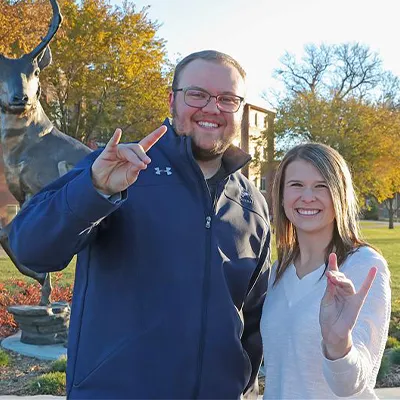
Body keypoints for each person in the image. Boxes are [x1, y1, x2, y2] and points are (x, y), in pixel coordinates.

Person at [9, 50, 271, 399]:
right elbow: (30, 249)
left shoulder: (253, 204)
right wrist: (93, 189)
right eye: (198, 94)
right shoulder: (118, 170)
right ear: (172, 100)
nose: (212, 108)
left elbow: (253, 321)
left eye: (227, 99)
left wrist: (242, 388)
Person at [261, 143, 391, 399]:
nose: (307, 196)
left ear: (340, 194)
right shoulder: (278, 271)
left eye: (322, 186)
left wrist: (339, 345)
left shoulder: (364, 267)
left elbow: (353, 385)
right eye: (296, 185)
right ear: (282, 195)